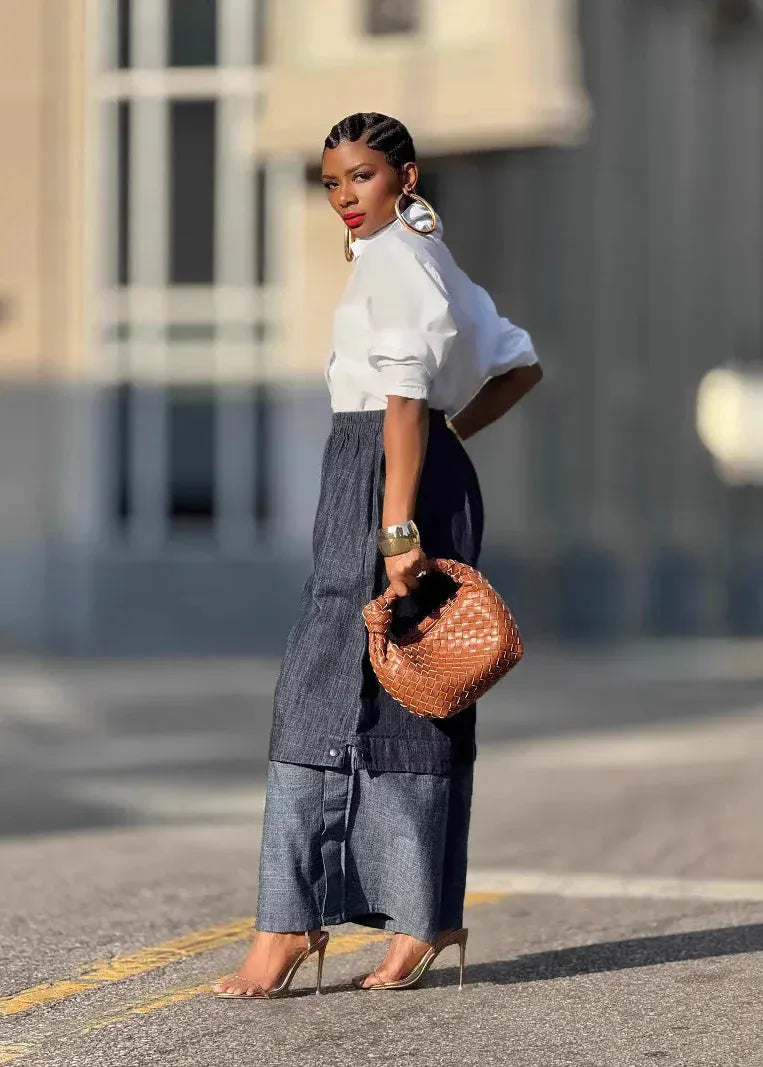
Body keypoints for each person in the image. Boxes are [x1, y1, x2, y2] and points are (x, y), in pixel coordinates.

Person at [212, 112, 543, 999]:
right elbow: (517, 362)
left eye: (359, 176)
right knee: (416, 686)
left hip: (379, 473)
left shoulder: (398, 261)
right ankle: (420, 918)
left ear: (403, 175)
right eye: (330, 181)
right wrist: (451, 441)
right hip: (415, 466)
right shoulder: (426, 256)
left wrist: (397, 526)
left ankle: (286, 924)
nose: (343, 198)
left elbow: (400, 398)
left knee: (325, 689)